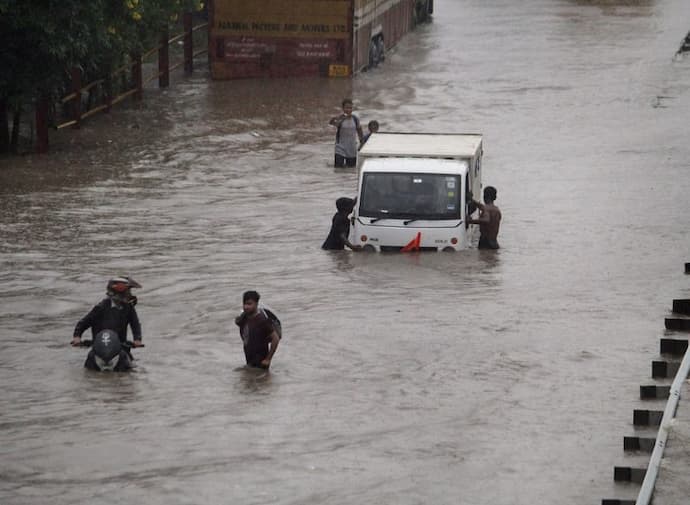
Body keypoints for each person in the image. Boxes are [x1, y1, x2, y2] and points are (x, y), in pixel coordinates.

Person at [71, 277, 143, 347]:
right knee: (90, 358)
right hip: (99, 348)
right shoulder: (101, 307)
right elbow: (84, 322)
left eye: (128, 292)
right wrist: (77, 337)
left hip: (121, 347)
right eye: (127, 292)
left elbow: (135, 324)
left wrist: (137, 339)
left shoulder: (128, 307)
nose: (129, 294)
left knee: (128, 358)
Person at [235, 291, 281, 369]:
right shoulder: (244, 317)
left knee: (261, 379)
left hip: (261, 363)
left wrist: (268, 359)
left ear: (256, 304)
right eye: (244, 304)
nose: (246, 307)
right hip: (249, 360)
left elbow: (275, 339)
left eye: (249, 304)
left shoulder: (262, 320)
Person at [329, 98, 364, 168]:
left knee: (351, 169)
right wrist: (336, 120)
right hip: (340, 148)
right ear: (343, 108)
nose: (348, 110)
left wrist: (362, 143)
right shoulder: (340, 118)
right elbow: (332, 123)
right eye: (346, 108)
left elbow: (359, 131)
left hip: (352, 148)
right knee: (338, 169)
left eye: (350, 108)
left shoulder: (355, 119)